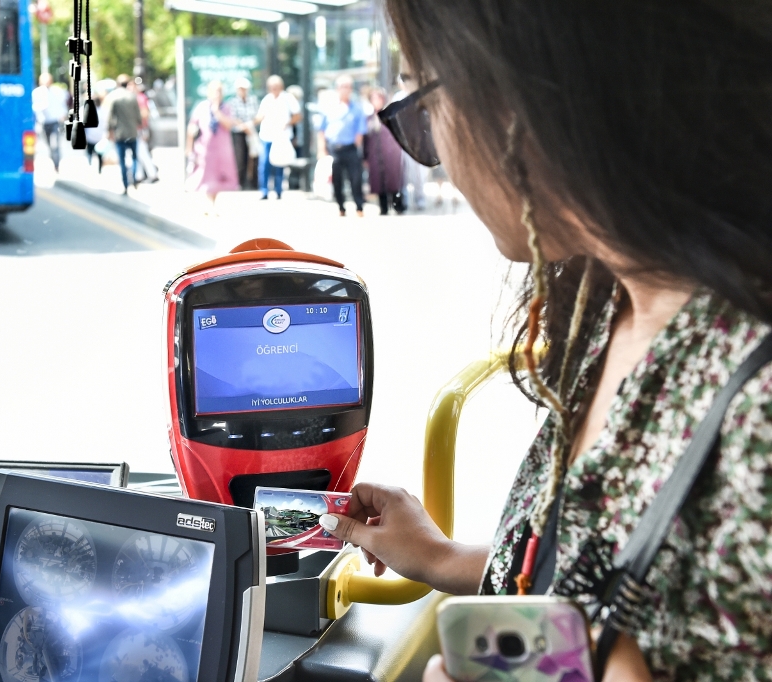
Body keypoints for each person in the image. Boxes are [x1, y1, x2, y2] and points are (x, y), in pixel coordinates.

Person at [313, 2, 772, 680]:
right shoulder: (607, 298)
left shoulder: (754, 397)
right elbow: (592, 574)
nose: (436, 159)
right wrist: (444, 559)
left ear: (517, 100)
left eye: (423, 108)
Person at [186, 80, 239, 215]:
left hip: (222, 149)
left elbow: (228, 125)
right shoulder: (202, 107)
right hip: (205, 149)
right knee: (206, 177)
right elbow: (192, 127)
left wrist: (217, 111)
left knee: (219, 177)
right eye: (215, 91)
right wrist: (189, 147)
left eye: (220, 91)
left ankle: (214, 204)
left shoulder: (226, 108)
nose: (217, 94)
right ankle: (209, 204)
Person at [317, 75, 367, 217]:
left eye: (348, 87)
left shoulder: (357, 109)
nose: (345, 90)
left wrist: (354, 146)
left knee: (355, 180)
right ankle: (341, 207)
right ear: (337, 89)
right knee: (337, 181)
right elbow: (321, 131)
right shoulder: (329, 108)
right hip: (334, 150)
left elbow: (360, 132)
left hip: (350, 149)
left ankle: (359, 207)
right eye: (342, 87)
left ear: (351, 89)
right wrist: (322, 149)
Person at [253, 75, 301, 200]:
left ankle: (278, 190)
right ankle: (264, 190)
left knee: (279, 163)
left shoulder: (288, 99)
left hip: (281, 137)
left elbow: (297, 116)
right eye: (272, 87)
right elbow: (260, 116)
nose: (274, 89)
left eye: (276, 87)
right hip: (267, 136)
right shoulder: (266, 99)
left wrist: (287, 123)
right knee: (264, 164)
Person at [364, 87, 405, 215]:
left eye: (379, 98)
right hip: (375, 154)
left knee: (394, 179)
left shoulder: (391, 114)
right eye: (374, 98)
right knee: (378, 180)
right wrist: (365, 157)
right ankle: (383, 207)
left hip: (391, 153)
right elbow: (366, 138)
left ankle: (398, 206)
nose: (377, 101)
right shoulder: (369, 119)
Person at [103, 74, 142, 195]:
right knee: (134, 157)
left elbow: (110, 117)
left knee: (122, 160)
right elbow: (138, 117)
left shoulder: (114, 97)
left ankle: (125, 184)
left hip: (120, 133)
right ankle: (134, 177)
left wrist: (109, 132)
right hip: (132, 132)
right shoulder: (132, 97)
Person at [31, 73, 69, 171]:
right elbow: (33, 107)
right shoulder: (37, 93)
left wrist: (63, 115)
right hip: (43, 122)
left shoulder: (57, 91)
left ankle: (57, 164)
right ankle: (53, 159)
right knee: (48, 144)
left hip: (54, 121)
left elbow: (62, 105)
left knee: (54, 144)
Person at [228, 77, 259, 190]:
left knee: (254, 157)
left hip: (252, 132)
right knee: (239, 158)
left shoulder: (253, 100)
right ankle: (239, 183)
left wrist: (250, 125)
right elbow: (233, 118)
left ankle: (253, 183)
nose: (242, 91)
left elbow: (257, 115)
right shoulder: (233, 102)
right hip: (239, 133)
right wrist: (244, 127)